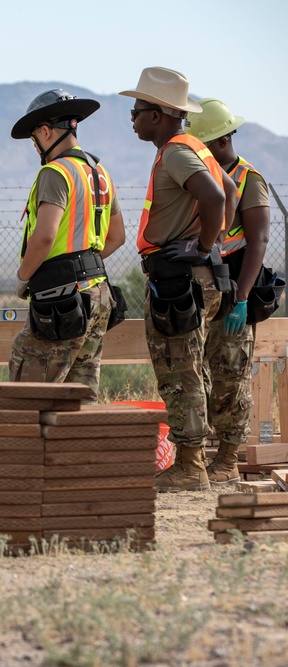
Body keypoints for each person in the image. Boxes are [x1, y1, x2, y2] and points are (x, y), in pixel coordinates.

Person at [120, 66, 238, 492]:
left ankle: (191, 468)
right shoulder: (189, 147)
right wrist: (211, 240)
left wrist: (204, 244)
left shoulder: (175, 150)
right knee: (191, 368)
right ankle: (195, 460)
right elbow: (228, 188)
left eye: (136, 111)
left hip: (181, 279)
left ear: (159, 114)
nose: (132, 119)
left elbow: (217, 195)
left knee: (179, 369)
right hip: (193, 277)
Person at [8, 90, 126, 399]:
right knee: (81, 395)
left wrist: (24, 277)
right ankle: (81, 447)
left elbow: (45, 236)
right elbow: (116, 237)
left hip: (61, 298)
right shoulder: (99, 173)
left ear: (46, 131)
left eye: (35, 141)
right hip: (99, 294)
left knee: (28, 392)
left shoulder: (55, 172)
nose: (36, 147)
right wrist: (84, 267)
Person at [185, 99, 271, 485]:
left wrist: (241, 301)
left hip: (236, 286)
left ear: (219, 141)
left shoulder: (249, 180)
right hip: (205, 286)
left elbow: (259, 241)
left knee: (230, 375)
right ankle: (203, 453)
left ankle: (228, 458)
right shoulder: (203, 175)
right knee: (200, 371)